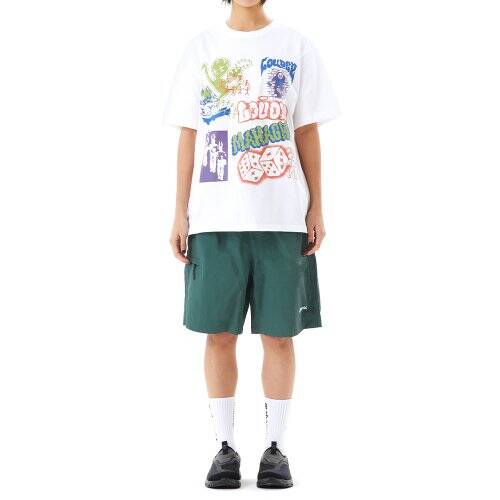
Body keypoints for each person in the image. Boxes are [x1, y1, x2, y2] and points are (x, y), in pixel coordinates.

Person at [164, 0, 340, 489]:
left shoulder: (295, 46)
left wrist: (316, 206)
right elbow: (189, 134)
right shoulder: (201, 49)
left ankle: (276, 449)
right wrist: (179, 210)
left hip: (281, 216)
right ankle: (224, 448)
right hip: (215, 216)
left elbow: (306, 130)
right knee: (218, 333)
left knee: (279, 335)